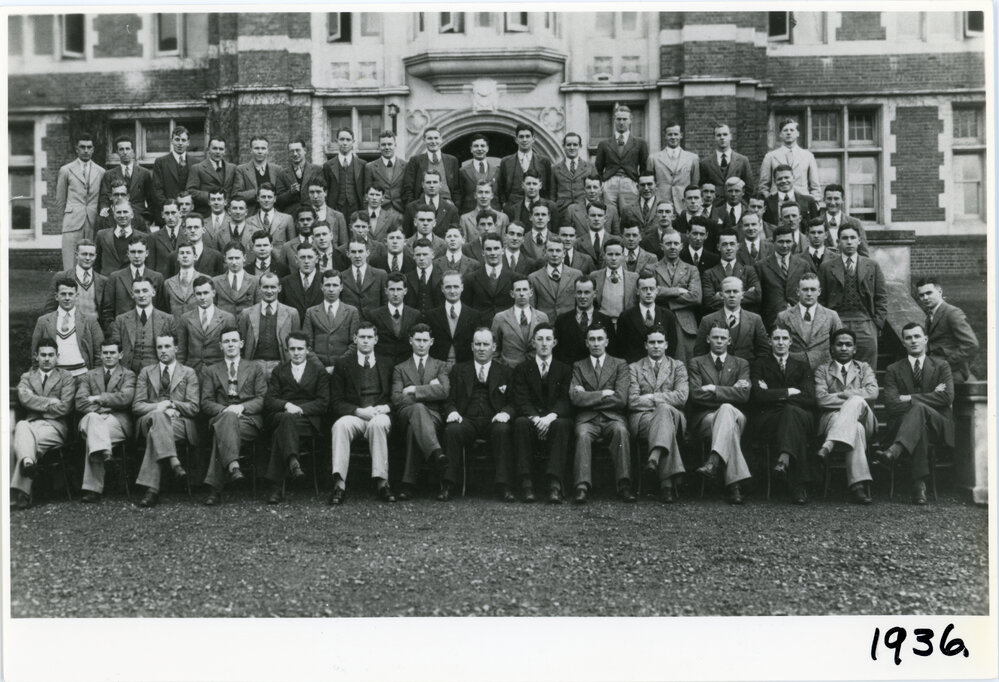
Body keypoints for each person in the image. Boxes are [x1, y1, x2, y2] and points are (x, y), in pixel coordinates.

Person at [876, 323, 955, 505]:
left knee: (918, 409)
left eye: (917, 336)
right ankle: (919, 485)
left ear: (925, 339)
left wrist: (908, 398)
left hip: (938, 424)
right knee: (920, 425)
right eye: (908, 338)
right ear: (903, 342)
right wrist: (931, 395)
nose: (913, 341)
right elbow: (891, 404)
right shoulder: (893, 369)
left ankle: (894, 451)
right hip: (906, 426)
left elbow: (947, 396)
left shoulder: (941, 366)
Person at [325, 324, 396, 505]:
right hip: (356, 413)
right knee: (340, 425)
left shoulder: (387, 363)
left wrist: (386, 407)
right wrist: (358, 411)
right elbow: (336, 401)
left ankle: (382, 482)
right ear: (355, 339)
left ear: (376, 340)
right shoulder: (343, 364)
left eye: (369, 337)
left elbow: (396, 396)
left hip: (379, 413)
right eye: (362, 337)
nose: (365, 341)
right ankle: (339, 484)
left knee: (377, 424)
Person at [443, 328, 516, 502]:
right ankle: (448, 484)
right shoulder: (458, 370)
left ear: (494, 347)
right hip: (466, 419)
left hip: (493, 418)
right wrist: (453, 412)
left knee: (503, 430)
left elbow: (514, 402)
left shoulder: (506, 372)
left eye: (486, 344)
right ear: (471, 347)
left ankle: (503, 485)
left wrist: (505, 413)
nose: (482, 348)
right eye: (478, 344)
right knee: (452, 430)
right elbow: (448, 399)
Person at [200, 328, 268, 505]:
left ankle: (215, 490)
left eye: (234, 341)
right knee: (226, 422)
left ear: (241, 344)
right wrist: (225, 410)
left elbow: (262, 399)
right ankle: (233, 466)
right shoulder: (211, 370)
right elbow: (206, 402)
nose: (230, 344)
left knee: (220, 434)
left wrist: (241, 407)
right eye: (226, 342)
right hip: (222, 417)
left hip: (247, 421)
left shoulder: (255, 368)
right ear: (220, 346)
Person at [688, 323, 753, 505]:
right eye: (715, 337)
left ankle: (713, 462)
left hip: (737, 415)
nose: (719, 341)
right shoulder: (696, 362)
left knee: (727, 410)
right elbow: (695, 394)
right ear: (708, 339)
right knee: (726, 412)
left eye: (723, 338)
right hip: (706, 418)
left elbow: (744, 395)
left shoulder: (741, 364)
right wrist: (730, 391)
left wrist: (714, 389)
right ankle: (735, 487)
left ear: (729, 340)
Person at [133, 333, 200, 508]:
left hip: (179, 423)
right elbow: (137, 406)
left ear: (176, 348)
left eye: (167, 346)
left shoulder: (189, 373)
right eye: (159, 347)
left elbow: (193, 407)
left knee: (155, 432)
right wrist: (159, 408)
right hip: (149, 420)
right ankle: (173, 461)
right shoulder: (146, 372)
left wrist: (171, 404)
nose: (163, 351)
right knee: (158, 417)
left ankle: (152, 490)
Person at [569, 323, 633, 503]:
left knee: (621, 431)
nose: (596, 343)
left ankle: (624, 485)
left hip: (613, 417)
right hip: (587, 420)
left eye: (599, 339)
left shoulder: (620, 364)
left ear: (607, 341)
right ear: (586, 343)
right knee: (582, 435)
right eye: (592, 339)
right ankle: (581, 486)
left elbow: (621, 399)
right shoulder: (578, 366)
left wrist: (588, 398)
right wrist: (603, 393)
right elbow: (575, 398)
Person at [263, 332, 330, 504]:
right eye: (292, 349)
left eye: (300, 348)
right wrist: (286, 405)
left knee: (282, 429)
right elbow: (270, 399)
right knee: (286, 419)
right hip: (282, 414)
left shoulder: (318, 371)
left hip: (307, 419)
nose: (296, 352)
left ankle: (276, 487)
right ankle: (293, 461)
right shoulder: (280, 370)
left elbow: (323, 402)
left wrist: (299, 409)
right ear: (287, 350)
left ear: (308, 350)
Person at [752, 325, 816, 505]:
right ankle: (798, 486)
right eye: (776, 338)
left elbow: (810, 398)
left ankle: (784, 460)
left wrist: (773, 394)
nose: (780, 343)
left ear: (791, 342)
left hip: (800, 416)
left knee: (791, 414)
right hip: (770, 419)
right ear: (770, 341)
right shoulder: (760, 364)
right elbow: (757, 395)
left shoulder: (802, 366)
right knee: (792, 421)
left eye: (784, 338)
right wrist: (789, 392)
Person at [814, 328, 878, 504]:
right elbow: (821, 399)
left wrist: (846, 395)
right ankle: (858, 487)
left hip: (865, 419)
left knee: (857, 401)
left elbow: (872, 393)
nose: (844, 348)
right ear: (832, 348)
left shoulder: (864, 368)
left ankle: (829, 444)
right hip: (833, 420)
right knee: (855, 427)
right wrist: (853, 399)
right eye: (839, 344)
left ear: (855, 349)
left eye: (848, 344)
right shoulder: (823, 370)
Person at [10, 339, 76, 510]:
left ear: (57, 357)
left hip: (54, 428)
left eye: (51, 355)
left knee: (23, 435)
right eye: (43, 355)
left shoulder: (66, 378)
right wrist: (50, 402)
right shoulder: (27, 377)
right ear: (36, 356)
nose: (47, 359)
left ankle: (19, 489)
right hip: (32, 425)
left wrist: (37, 403)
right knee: (23, 426)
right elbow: (24, 398)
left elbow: (65, 407)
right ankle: (27, 465)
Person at [511, 323, 573, 503]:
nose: (544, 343)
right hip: (532, 417)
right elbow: (521, 398)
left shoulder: (564, 369)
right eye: (540, 339)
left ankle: (554, 484)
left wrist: (550, 417)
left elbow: (565, 399)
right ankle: (527, 484)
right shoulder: (522, 369)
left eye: (548, 339)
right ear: (533, 343)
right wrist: (537, 419)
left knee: (562, 425)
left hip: (554, 417)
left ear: (555, 342)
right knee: (521, 423)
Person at [627, 325, 688, 502]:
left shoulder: (678, 366)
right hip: (643, 420)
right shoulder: (634, 368)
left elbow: (682, 397)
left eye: (660, 342)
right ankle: (667, 486)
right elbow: (632, 400)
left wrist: (652, 397)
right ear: (645, 345)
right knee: (664, 418)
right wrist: (664, 399)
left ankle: (654, 458)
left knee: (664, 412)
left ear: (666, 345)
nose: (656, 346)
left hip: (673, 416)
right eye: (652, 342)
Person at [392, 323, 451, 500]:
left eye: (425, 340)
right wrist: (429, 390)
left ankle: (408, 484)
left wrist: (413, 390)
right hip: (406, 413)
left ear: (431, 342)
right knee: (416, 409)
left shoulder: (440, 365)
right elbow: (396, 399)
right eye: (418, 340)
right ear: (411, 341)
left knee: (414, 429)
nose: (421, 344)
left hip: (433, 416)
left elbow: (444, 391)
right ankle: (436, 452)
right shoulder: (400, 368)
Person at [75, 340, 136, 503]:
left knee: (93, 435)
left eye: (112, 352)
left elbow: (125, 398)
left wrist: (98, 398)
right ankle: (106, 453)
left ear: (120, 355)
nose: (108, 356)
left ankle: (92, 490)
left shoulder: (128, 374)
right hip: (92, 417)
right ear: (100, 354)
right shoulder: (89, 375)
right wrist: (103, 408)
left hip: (116, 422)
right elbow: (80, 401)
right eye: (105, 353)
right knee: (94, 421)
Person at [818, 224, 887, 368]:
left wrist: (876, 324)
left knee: (866, 369)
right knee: (837, 367)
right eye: (844, 238)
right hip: (837, 322)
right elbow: (821, 299)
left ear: (859, 240)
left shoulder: (872, 265)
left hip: (865, 323)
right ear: (838, 242)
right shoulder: (826, 267)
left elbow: (881, 297)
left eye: (852, 238)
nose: (849, 241)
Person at [31, 276, 103, 375]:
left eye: (71, 294)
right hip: (54, 376)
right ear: (56, 296)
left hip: (83, 376)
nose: (67, 298)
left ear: (77, 296)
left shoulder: (89, 321)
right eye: (63, 294)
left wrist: (94, 377)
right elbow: (35, 354)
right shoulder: (43, 321)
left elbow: (99, 353)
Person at [108, 276, 177, 374]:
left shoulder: (167, 319)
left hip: (158, 373)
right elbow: (115, 349)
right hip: (128, 372)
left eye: (145, 290)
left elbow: (176, 350)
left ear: (153, 292)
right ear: (132, 294)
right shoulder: (121, 320)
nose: (141, 295)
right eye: (137, 291)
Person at [55, 133, 104, 269]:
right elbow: (60, 200)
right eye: (82, 147)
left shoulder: (101, 172)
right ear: (77, 149)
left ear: (93, 149)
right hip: (72, 222)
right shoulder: (66, 170)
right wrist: (65, 221)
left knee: (90, 261)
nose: (86, 150)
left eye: (89, 147)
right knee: (70, 262)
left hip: (93, 221)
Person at [917, 277, 979, 383]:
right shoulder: (930, 316)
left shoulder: (952, 313)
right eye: (921, 295)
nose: (925, 298)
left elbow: (971, 345)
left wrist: (947, 363)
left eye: (929, 293)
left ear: (940, 292)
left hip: (952, 372)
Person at [776, 273, 843, 370]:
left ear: (819, 292)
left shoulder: (831, 316)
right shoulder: (784, 316)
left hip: (824, 371)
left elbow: (839, 345)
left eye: (813, 289)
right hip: (794, 371)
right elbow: (778, 346)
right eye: (805, 289)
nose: (809, 294)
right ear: (798, 292)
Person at [694, 277, 769, 362]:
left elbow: (763, 353)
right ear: (721, 295)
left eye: (736, 291)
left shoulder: (755, 320)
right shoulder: (707, 320)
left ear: (742, 295)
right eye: (728, 292)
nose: (732, 295)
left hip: (748, 371)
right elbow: (699, 354)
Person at [238, 272, 300, 375]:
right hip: (254, 365)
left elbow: (297, 343)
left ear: (279, 288)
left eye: (273, 287)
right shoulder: (247, 313)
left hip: (282, 365)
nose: (269, 291)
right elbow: (242, 344)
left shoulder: (292, 313)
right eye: (265, 287)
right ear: (259, 288)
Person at [653, 230, 701, 362]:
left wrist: (665, 299)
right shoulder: (651, 268)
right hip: (659, 320)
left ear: (681, 246)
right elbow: (651, 292)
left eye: (676, 243)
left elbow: (696, 296)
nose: (672, 246)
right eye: (668, 243)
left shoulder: (691, 269)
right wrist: (678, 290)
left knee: (685, 363)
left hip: (684, 324)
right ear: (661, 246)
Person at [301, 270, 360, 373]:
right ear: (321, 287)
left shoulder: (351, 311)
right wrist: (320, 367)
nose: (331, 289)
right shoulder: (311, 312)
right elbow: (306, 344)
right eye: (327, 285)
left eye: (335, 285)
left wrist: (338, 366)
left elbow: (355, 344)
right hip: (317, 369)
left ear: (341, 287)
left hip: (343, 369)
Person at [755, 225, 813, 329]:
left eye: (788, 241)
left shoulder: (803, 264)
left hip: (799, 319)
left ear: (793, 242)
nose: (785, 245)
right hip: (771, 321)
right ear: (773, 242)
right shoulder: (761, 266)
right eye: (781, 242)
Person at [176, 275, 237, 373]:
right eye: (198, 294)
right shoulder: (185, 318)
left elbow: (233, 349)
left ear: (213, 293)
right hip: (193, 370)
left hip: (219, 371)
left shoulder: (227, 318)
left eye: (206, 293)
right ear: (194, 295)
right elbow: (181, 351)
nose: (202, 297)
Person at [594, 105, 649, 213]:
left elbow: (644, 167)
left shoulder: (640, 143)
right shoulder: (604, 144)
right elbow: (598, 167)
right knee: (609, 213)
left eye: (625, 119)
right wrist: (602, 184)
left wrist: (638, 184)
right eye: (618, 119)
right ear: (614, 121)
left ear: (630, 121)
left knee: (630, 214)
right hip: (610, 183)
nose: (621, 122)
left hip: (630, 182)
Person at [422, 271, 481, 369]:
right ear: (442, 289)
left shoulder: (474, 315)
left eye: (456, 286)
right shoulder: (431, 316)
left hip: (465, 367)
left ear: (462, 287)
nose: (452, 291)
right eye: (448, 287)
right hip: (438, 367)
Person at [618, 271, 679, 363]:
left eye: (652, 288)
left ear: (657, 291)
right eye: (644, 289)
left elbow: (672, 344)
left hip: (661, 366)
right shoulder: (626, 316)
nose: (649, 292)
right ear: (637, 291)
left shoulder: (668, 315)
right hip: (634, 367)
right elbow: (621, 347)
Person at [102, 236, 166, 323]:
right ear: (128, 254)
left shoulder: (157, 277)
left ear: (146, 253)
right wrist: (115, 331)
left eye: (140, 252)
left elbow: (162, 309)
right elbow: (107, 311)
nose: (136, 256)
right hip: (122, 331)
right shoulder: (115, 277)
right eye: (133, 252)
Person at [553, 276, 615, 365]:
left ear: (595, 293)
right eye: (579, 292)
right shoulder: (562, 320)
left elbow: (612, 352)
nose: (582, 296)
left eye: (587, 292)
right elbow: (557, 353)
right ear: (574, 293)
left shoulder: (605, 321)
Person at [490, 277, 549, 367]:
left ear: (531, 293)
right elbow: (493, 350)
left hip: (534, 370)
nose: (521, 294)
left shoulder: (542, 317)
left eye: (525, 290)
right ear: (512, 294)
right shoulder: (500, 318)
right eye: (518, 290)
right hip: (509, 371)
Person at [45, 240, 107, 325]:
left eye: (91, 255)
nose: (88, 258)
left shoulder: (103, 281)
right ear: (76, 255)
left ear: (95, 256)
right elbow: (50, 308)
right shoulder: (62, 277)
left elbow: (107, 312)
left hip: (94, 329)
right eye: (84, 254)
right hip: (68, 328)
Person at [758, 119, 821, 201]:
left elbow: (815, 186)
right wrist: (770, 203)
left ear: (798, 133)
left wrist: (813, 203)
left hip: (802, 203)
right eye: (785, 130)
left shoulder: (808, 156)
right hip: (778, 203)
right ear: (780, 134)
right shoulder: (770, 156)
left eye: (792, 130)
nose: (788, 133)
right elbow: (763, 186)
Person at [702, 229, 762, 314]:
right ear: (718, 247)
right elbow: (709, 301)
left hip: (745, 319)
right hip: (719, 320)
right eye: (724, 244)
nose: (729, 248)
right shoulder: (709, 273)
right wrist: (743, 293)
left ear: (738, 246)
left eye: (732, 244)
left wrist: (721, 295)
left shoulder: (749, 270)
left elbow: (757, 296)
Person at [368, 273, 422, 364]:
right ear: (386, 291)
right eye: (392, 289)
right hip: (383, 365)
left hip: (407, 366)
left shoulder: (415, 315)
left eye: (399, 289)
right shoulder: (375, 315)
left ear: (405, 291)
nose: (395, 294)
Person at [462, 232, 515, 324]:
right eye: (488, 249)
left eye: (496, 248)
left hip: (506, 328)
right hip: (480, 328)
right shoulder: (470, 279)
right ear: (483, 252)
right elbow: (467, 309)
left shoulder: (514, 278)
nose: (493, 253)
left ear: (503, 250)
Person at [401, 126, 461, 208]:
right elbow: (408, 188)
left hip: (447, 205)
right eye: (430, 138)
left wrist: (456, 206)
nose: (433, 141)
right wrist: (413, 208)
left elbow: (457, 188)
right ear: (424, 140)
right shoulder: (415, 161)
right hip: (423, 205)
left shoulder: (452, 160)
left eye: (436, 138)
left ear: (441, 139)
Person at [497, 124, 553, 206]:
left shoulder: (544, 161)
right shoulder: (506, 161)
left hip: (538, 206)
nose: (524, 139)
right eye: (521, 137)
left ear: (533, 139)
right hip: (513, 206)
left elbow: (549, 187)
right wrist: (504, 204)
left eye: (527, 136)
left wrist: (547, 204)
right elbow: (501, 187)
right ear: (516, 139)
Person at [100, 135, 153, 222]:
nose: (125, 152)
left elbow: (151, 199)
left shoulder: (144, 173)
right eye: (121, 149)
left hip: (139, 217)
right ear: (117, 152)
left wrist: (148, 218)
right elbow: (105, 198)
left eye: (127, 149)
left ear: (133, 151)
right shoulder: (109, 174)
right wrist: (104, 209)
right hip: (118, 217)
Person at [232, 135, 289, 215]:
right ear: (250, 150)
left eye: (263, 148)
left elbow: (281, 195)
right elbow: (236, 195)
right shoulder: (241, 170)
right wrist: (258, 192)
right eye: (256, 148)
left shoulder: (277, 170)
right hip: (251, 214)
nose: (260, 151)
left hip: (274, 215)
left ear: (268, 150)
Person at [650, 122, 699, 213]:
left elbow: (695, 184)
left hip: (684, 205)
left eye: (676, 134)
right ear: (665, 136)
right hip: (662, 205)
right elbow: (650, 184)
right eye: (670, 134)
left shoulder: (692, 158)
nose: (673, 137)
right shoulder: (654, 158)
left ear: (681, 135)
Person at [528, 239, 581, 322]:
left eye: (558, 251)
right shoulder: (533, 278)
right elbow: (531, 307)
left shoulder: (576, 275)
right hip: (544, 326)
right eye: (551, 250)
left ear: (564, 253)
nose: (554, 254)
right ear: (544, 252)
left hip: (569, 324)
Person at [593, 238, 639, 327]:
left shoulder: (634, 278)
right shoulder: (594, 276)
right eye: (610, 254)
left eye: (617, 254)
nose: (613, 258)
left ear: (623, 256)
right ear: (604, 256)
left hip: (626, 324)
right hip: (602, 324)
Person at [186, 135, 236, 216]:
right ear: (208, 150)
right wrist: (210, 196)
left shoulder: (232, 168)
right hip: (206, 213)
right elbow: (191, 191)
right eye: (215, 148)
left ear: (224, 151)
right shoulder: (197, 168)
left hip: (227, 214)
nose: (218, 152)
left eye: (221, 149)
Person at [322, 128, 366, 218]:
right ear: (336, 141)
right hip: (335, 208)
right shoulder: (328, 165)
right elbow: (325, 189)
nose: (345, 143)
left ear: (353, 141)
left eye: (348, 140)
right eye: (342, 139)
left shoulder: (362, 164)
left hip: (357, 208)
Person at [95, 198, 144, 276]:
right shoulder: (101, 235)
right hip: (107, 283)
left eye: (125, 212)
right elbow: (96, 265)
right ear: (114, 215)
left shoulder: (143, 237)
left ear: (132, 215)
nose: (122, 215)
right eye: (118, 212)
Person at [551, 131, 594, 219]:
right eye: (569, 145)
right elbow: (552, 195)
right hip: (562, 211)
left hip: (583, 211)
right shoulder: (555, 169)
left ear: (580, 146)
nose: (572, 147)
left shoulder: (589, 167)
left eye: (575, 145)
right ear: (563, 146)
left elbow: (595, 191)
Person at [403, 171, 460, 237]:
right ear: (422, 185)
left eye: (435, 182)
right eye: (428, 182)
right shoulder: (411, 208)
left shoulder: (451, 210)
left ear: (440, 184)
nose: (432, 185)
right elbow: (407, 236)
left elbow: (455, 235)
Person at [150, 126, 190, 219]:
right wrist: (169, 209)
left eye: (183, 140)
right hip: (168, 215)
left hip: (189, 215)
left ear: (188, 142)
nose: (180, 143)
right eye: (177, 139)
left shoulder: (195, 162)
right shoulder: (161, 162)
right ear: (171, 141)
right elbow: (157, 190)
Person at [699, 123, 753, 190]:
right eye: (719, 135)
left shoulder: (743, 161)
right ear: (714, 138)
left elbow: (749, 188)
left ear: (730, 136)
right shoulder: (705, 163)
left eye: (725, 134)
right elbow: (702, 188)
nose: (722, 137)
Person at [364, 130, 407, 214]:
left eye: (390, 144)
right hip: (380, 212)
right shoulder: (370, 167)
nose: (387, 147)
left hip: (401, 211)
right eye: (383, 145)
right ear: (379, 146)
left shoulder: (405, 165)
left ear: (395, 145)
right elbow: (366, 194)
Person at [340, 239, 388, 313]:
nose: (357, 256)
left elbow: (386, 304)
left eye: (360, 251)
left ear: (367, 252)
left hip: (374, 323)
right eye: (353, 252)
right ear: (347, 253)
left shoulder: (380, 275)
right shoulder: (341, 277)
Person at [213, 242, 260, 317]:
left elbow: (258, 308)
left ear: (244, 258)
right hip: (224, 325)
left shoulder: (255, 281)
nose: (234, 262)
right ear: (225, 259)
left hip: (247, 325)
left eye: (237, 258)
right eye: (230, 258)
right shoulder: (215, 281)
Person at [279, 242, 324, 321]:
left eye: (310, 257)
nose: (306, 261)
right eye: (302, 257)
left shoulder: (325, 280)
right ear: (296, 259)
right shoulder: (285, 282)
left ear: (316, 259)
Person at [280, 137, 324, 215]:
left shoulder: (317, 170)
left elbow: (323, 193)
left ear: (305, 151)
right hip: (291, 215)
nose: (295, 154)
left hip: (313, 213)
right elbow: (278, 199)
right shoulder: (283, 174)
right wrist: (290, 192)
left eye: (298, 150)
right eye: (292, 151)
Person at [162, 243, 205, 317]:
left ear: (195, 257)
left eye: (188, 253)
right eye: (182, 253)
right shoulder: (168, 283)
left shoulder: (205, 279)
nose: (185, 256)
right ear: (178, 258)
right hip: (175, 326)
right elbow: (166, 308)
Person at [405, 239, 445, 314]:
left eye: (425, 254)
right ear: (413, 256)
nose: (421, 258)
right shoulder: (406, 278)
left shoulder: (443, 277)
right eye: (418, 255)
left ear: (433, 255)